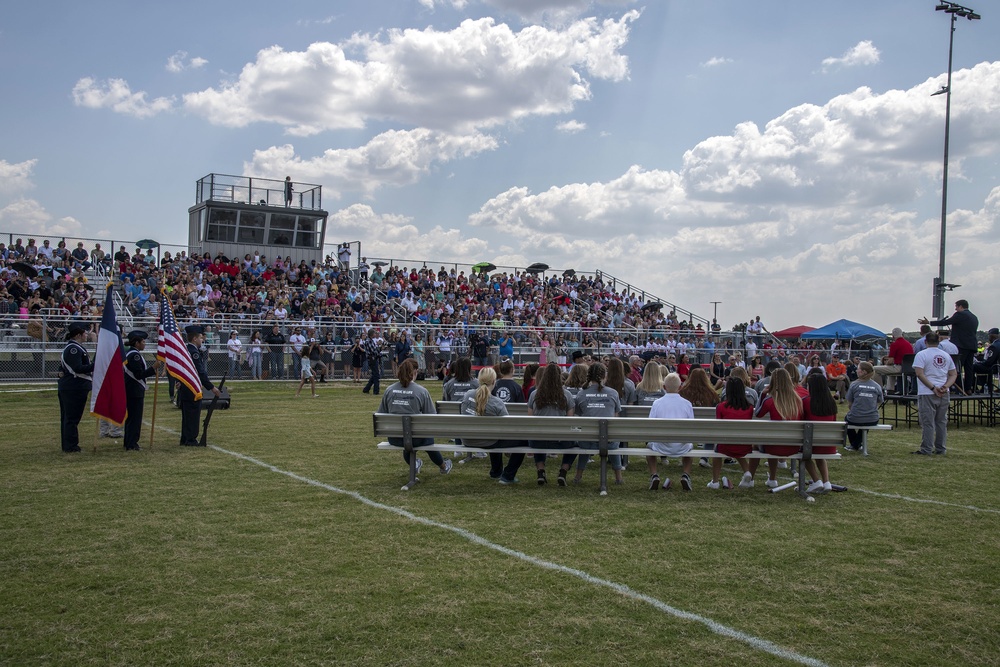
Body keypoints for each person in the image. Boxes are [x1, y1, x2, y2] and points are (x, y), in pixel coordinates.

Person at [379, 359, 452, 475]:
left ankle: (415, 464)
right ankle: (443, 466)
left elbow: (381, 414)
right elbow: (432, 417)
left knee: (407, 436)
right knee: (426, 439)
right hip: (417, 438)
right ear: (415, 372)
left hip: (395, 438)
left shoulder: (389, 390)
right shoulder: (422, 392)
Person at [460, 367, 524, 484]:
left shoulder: (467, 395)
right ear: (494, 382)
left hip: (467, 439)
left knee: (494, 433)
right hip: (488, 440)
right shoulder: (496, 403)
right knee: (522, 440)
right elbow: (508, 427)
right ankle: (508, 476)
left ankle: (496, 472)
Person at [572, 362, 624, 485]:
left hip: (586, 441)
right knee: (612, 437)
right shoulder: (613, 393)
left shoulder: (581, 394)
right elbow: (616, 417)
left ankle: (578, 476)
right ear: (604, 375)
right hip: (609, 442)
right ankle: (618, 477)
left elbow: (578, 416)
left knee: (585, 438)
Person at [752, 368, 803, 488]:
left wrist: (763, 394)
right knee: (772, 439)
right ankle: (772, 478)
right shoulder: (798, 400)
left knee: (766, 441)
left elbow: (758, 414)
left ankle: (770, 478)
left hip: (773, 446)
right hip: (794, 446)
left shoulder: (770, 400)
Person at [528, 362, 576, 485]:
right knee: (576, 443)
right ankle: (563, 471)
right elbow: (569, 420)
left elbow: (530, 418)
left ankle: (541, 470)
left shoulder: (534, 394)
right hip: (561, 440)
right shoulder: (567, 395)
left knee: (537, 435)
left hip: (538, 439)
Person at [646, 373, 694, 491]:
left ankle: (654, 474)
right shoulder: (687, 404)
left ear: (664, 387)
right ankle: (686, 474)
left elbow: (650, 425)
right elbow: (691, 426)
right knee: (690, 447)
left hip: (661, 446)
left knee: (648, 448)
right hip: (682, 446)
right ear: (680, 387)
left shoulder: (657, 403)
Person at [911, 332, 957, 456]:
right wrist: (945, 386)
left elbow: (919, 373)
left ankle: (926, 448)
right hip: (944, 391)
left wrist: (932, 387)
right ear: (938, 341)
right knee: (941, 421)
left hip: (927, 392)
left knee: (928, 422)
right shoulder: (946, 355)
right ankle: (941, 448)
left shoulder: (921, 354)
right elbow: (953, 374)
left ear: (925, 342)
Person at [920, 299, 979, 393]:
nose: (955, 309)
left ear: (960, 306)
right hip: (972, 345)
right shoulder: (974, 317)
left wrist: (929, 323)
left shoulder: (960, 314)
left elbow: (946, 322)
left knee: (957, 367)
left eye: (956, 307)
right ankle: (968, 388)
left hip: (961, 345)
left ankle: (960, 388)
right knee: (969, 368)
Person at [179, 325, 220, 446]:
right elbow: (200, 372)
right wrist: (211, 387)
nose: (202, 340)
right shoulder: (193, 352)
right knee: (193, 414)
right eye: (201, 338)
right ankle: (190, 439)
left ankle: (185, 437)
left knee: (187, 415)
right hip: (192, 388)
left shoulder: (186, 350)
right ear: (194, 339)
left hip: (185, 387)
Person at [58, 324, 94, 453]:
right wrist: (95, 365)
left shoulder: (76, 348)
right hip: (74, 387)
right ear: (78, 335)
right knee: (71, 418)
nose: (86, 335)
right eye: (84, 333)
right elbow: (77, 368)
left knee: (70, 417)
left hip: (74, 386)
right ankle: (71, 446)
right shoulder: (73, 349)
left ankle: (69, 444)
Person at [123, 330, 161, 451]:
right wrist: (153, 368)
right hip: (134, 390)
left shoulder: (133, 354)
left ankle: (129, 441)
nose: (145, 343)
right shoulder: (134, 355)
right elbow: (139, 375)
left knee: (132, 417)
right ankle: (132, 443)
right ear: (137, 343)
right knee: (135, 418)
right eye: (143, 341)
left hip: (133, 390)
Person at [714, 376, 755, 489]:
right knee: (736, 443)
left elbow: (718, 426)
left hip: (726, 445)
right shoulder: (750, 408)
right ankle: (746, 471)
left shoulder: (721, 407)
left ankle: (715, 481)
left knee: (718, 448)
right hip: (744, 445)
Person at [802, 373, 838, 493]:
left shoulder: (806, 401)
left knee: (804, 455)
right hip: (828, 443)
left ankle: (817, 480)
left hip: (811, 443)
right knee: (819, 455)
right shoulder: (831, 402)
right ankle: (826, 482)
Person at [844, 361, 884, 452]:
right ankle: (857, 444)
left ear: (863, 372)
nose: (856, 370)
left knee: (847, 420)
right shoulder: (877, 386)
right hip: (872, 418)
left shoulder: (854, 384)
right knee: (867, 420)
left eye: (858, 369)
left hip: (855, 417)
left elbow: (850, 403)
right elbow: (880, 401)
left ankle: (855, 444)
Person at [874, 328, 914, 394]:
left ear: (893, 336)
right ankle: (890, 389)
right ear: (902, 334)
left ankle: (880, 390)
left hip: (899, 368)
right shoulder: (909, 344)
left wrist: (885, 362)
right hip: (908, 368)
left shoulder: (894, 344)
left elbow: (890, 361)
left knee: (874, 369)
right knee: (890, 371)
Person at [972, 327, 1000, 392]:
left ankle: (974, 387)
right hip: (997, 367)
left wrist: (979, 363)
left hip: (994, 367)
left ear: (991, 336)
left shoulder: (993, 346)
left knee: (973, 366)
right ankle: (987, 385)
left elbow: (989, 362)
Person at [361, 329, 385, 395]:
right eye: (374, 333)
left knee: (374, 375)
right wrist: (380, 349)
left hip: (374, 359)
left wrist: (380, 350)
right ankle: (376, 391)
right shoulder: (368, 341)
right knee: (376, 376)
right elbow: (373, 351)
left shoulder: (371, 341)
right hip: (372, 359)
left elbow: (375, 351)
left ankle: (366, 389)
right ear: (371, 334)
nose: (376, 334)